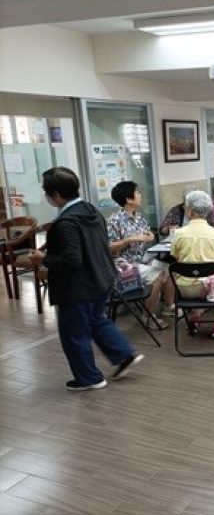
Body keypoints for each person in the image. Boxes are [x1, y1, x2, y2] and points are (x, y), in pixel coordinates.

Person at [28, 167, 144, 391]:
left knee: (74, 333)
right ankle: (124, 355)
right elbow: (86, 244)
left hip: (78, 287)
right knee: (96, 320)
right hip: (102, 277)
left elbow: (71, 259)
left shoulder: (66, 222)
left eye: (46, 192)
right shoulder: (90, 210)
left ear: (56, 194)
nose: (45, 196)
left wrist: (44, 258)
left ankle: (90, 378)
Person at [107, 181, 173, 329]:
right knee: (158, 275)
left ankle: (168, 307)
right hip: (122, 264)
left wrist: (150, 236)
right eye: (137, 192)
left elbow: (146, 233)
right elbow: (109, 248)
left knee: (169, 268)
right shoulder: (114, 221)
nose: (140, 195)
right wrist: (129, 239)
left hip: (140, 259)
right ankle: (148, 317)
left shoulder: (139, 217)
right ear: (128, 199)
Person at [171, 191, 214, 339]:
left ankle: (195, 318)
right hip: (210, 290)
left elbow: (176, 257)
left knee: (196, 276)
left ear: (190, 211)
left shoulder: (178, 234)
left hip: (184, 289)